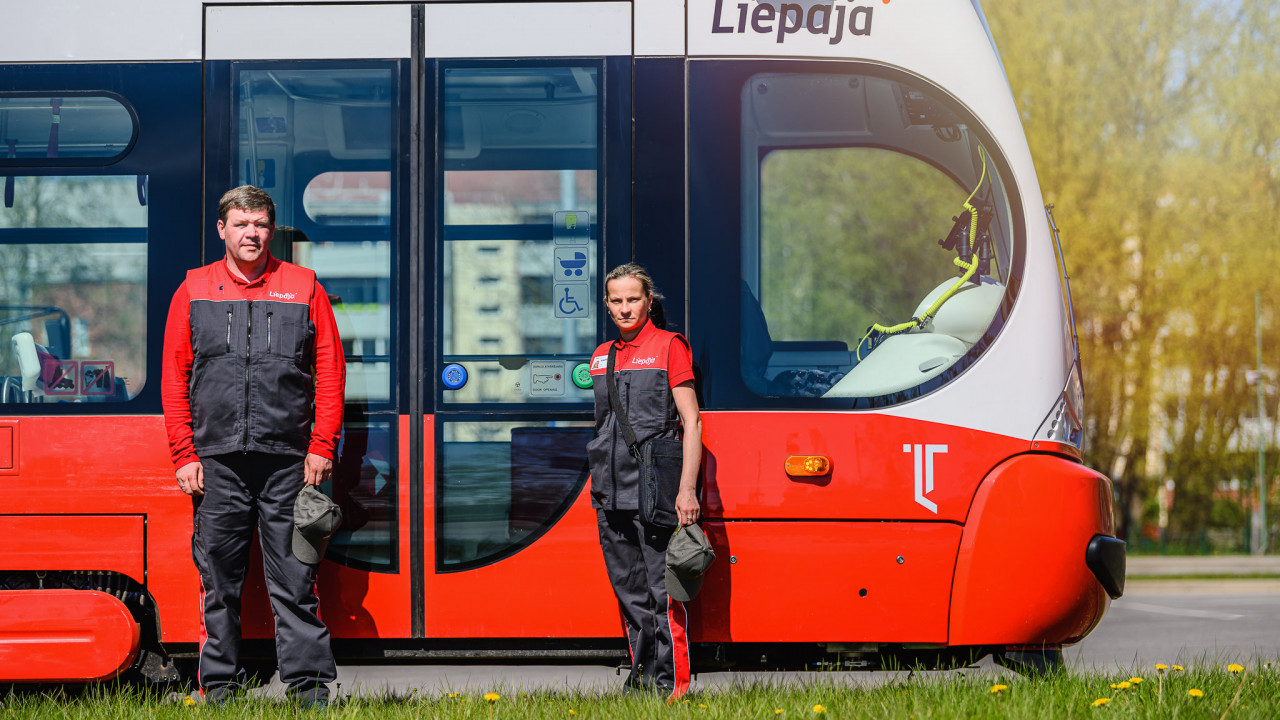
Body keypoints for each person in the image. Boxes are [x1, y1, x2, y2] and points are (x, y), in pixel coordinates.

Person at [161, 185, 345, 707]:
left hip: (290, 462)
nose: (251, 234)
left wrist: (321, 444)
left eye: (260, 224)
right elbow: (174, 378)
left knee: (296, 577)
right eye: (241, 224)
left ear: (271, 229)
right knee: (218, 580)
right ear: (222, 229)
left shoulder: (304, 285)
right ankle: (218, 687)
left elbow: (330, 371)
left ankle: (308, 689)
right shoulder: (193, 289)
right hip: (215, 462)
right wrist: (184, 453)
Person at [587, 263, 702, 699]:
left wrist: (686, 490)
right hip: (609, 492)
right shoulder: (601, 356)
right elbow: (602, 428)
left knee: (662, 595)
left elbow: (692, 421)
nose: (624, 308)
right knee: (630, 596)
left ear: (649, 302)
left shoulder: (670, 347)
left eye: (632, 299)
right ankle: (642, 685)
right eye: (616, 301)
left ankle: (672, 686)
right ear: (607, 304)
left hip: (656, 492)